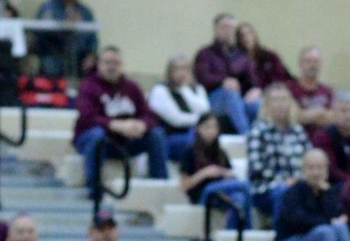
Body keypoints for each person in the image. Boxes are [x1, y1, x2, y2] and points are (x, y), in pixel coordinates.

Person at [73, 46, 168, 197]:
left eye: (115, 63)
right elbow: (87, 116)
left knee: (156, 134)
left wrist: (142, 125)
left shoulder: (131, 87)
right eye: (107, 62)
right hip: (94, 138)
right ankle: (93, 188)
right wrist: (114, 125)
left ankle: (160, 184)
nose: (111, 66)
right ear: (99, 64)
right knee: (97, 135)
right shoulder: (88, 86)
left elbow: (149, 115)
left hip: (125, 141)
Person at [267, 147, 350, 241]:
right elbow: (299, 221)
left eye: (320, 168)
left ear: (327, 170)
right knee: (324, 231)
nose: (316, 172)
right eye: (311, 168)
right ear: (303, 170)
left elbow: (338, 216)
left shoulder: (330, 192)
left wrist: (327, 196)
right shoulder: (292, 192)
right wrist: (329, 221)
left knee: (340, 227)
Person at [177, 112, 252, 231]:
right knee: (245, 185)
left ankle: (234, 233)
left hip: (221, 191)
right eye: (207, 127)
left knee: (239, 198)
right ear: (198, 128)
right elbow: (183, 185)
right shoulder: (190, 152)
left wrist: (223, 173)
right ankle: (245, 229)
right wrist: (205, 173)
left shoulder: (220, 152)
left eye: (215, 127)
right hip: (204, 193)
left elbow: (230, 174)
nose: (211, 131)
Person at [246, 83, 310, 220]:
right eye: (275, 100)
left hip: (299, 184)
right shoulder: (258, 131)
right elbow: (257, 167)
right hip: (267, 188)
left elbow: (309, 159)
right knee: (285, 192)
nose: (281, 104)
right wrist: (285, 181)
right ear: (267, 104)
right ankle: (282, 237)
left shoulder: (298, 130)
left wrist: (300, 180)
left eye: (284, 99)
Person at [195, 13, 257, 133]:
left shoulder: (242, 55)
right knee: (230, 94)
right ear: (215, 30)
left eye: (231, 27)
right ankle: (247, 135)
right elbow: (201, 78)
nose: (227, 30)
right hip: (213, 99)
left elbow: (253, 79)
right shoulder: (205, 53)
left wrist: (256, 90)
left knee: (257, 103)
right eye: (224, 27)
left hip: (239, 98)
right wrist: (222, 81)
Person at [34, 0, 98, 78]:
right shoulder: (48, 7)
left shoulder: (85, 11)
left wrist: (91, 55)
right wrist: (63, 27)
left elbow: (93, 38)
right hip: (54, 54)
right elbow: (41, 35)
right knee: (49, 64)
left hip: (80, 55)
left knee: (97, 66)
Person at [148, 54, 211, 159]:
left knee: (208, 138)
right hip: (169, 137)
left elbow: (205, 112)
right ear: (170, 72)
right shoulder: (160, 90)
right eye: (178, 69)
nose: (182, 73)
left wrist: (185, 89)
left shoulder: (198, 89)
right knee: (198, 140)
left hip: (194, 132)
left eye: (185, 69)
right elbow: (176, 120)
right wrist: (201, 121)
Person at [314, 92, 350, 180]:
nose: (348, 116)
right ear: (333, 113)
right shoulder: (323, 137)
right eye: (343, 111)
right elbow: (330, 170)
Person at [288, 46, 335, 136]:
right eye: (308, 61)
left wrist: (306, 115)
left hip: (324, 139)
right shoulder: (289, 88)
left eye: (316, 61)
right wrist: (320, 112)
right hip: (297, 138)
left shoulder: (327, 91)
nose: (312, 65)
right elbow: (293, 116)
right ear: (300, 63)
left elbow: (334, 117)